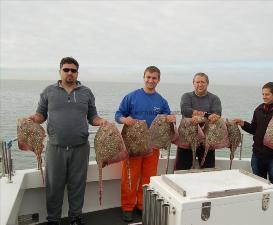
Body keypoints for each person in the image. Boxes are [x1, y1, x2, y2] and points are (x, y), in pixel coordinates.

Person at [28, 57, 108, 225]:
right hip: (55, 147)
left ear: (77, 72)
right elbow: (41, 114)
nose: (70, 73)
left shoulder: (86, 92)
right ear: (60, 72)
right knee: (53, 186)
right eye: (66, 70)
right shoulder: (48, 91)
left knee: (77, 185)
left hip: (80, 148)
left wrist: (101, 121)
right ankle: (53, 219)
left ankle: (75, 218)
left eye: (73, 70)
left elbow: (92, 116)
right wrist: (34, 118)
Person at [115, 66, 176, 222]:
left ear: (158, 80)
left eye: (154, 78)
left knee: (148, 177)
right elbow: (118, 115)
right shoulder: (131, 97)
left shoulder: (161, 100)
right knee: (130, 176)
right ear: (144, 77)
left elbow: (168, 116)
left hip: (153, 145)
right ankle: (127, 207)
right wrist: (124, 120)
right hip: (134, 144)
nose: (151, 80)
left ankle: (143, 205)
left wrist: (171, 118)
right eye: (148, 77)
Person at [174, 72, 222, 170]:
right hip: (186, 139)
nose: (200, 84)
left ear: (207, 83)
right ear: (193, 83)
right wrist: (206, 115)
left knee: (208, 171)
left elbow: (216, 115)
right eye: (197, 82)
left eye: (203, 82)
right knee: (182, 170)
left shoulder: (214, 98)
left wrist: (198, 116)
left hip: (207, 140)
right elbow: (185, 111)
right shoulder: (186, 96)